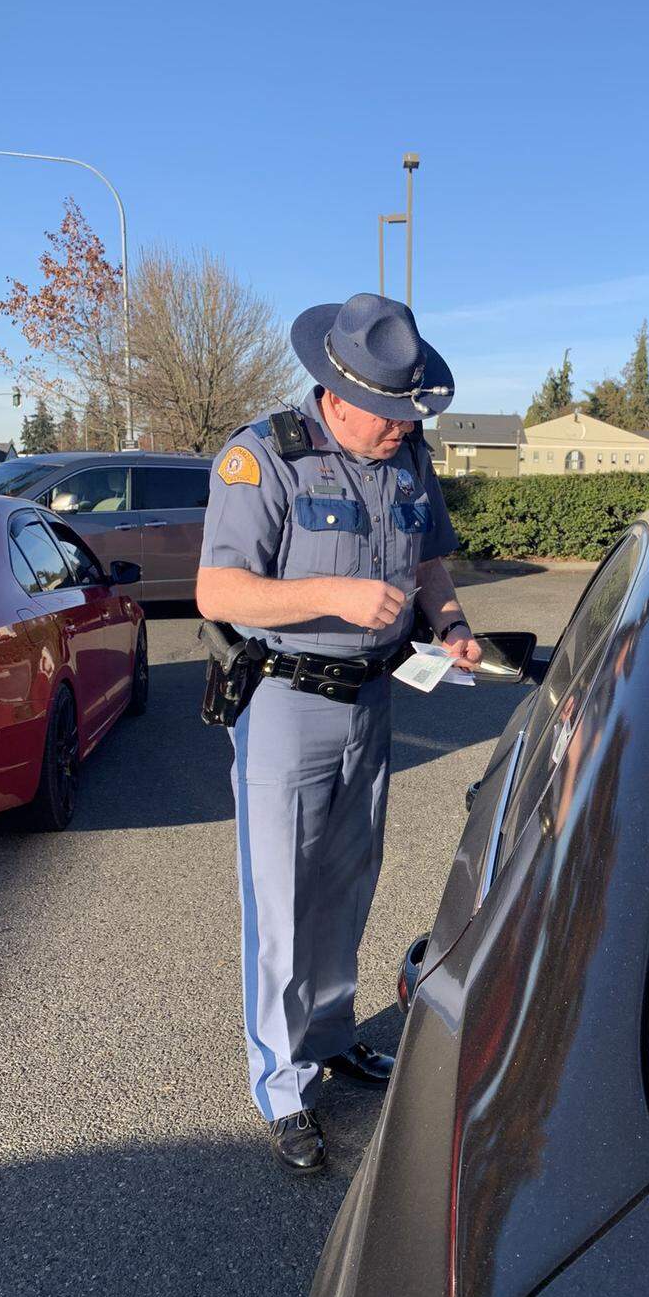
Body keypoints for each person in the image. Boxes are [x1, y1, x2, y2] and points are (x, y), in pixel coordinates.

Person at [196, 293, 481, 1175]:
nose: (404, 428)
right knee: (282, 899)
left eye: (413, 413)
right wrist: (333, 594)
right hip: (287, 702)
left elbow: (428, 557)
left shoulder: (407, 457)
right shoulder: (264, 460)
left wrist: (453, 623)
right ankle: (283, 1088)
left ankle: (327, 1035)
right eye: (392, 415)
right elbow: (220, 594)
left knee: (348, 883)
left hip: (372, 702)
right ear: (338, 392)